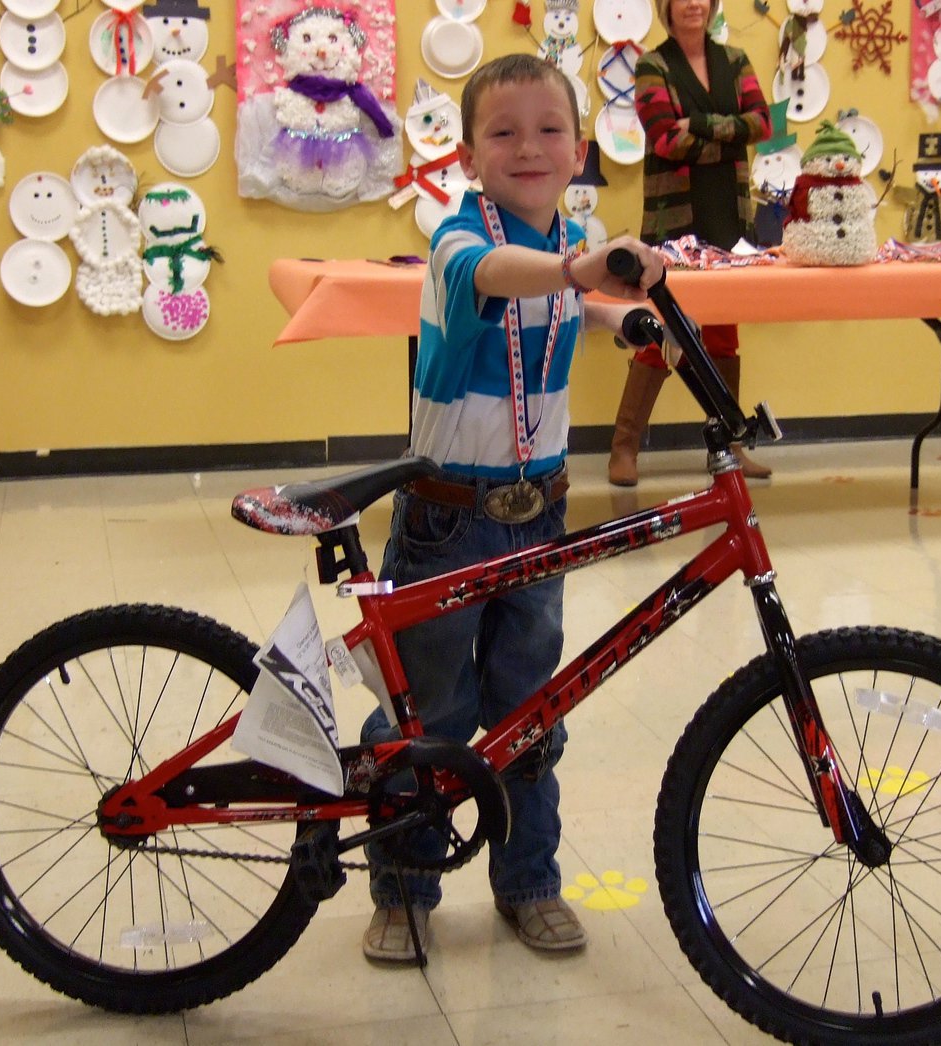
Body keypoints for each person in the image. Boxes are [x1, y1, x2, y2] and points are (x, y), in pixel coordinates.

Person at [359, 53, 664, 963]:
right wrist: (584, 270)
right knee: (428, 716)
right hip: (450, 515)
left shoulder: (568, 243)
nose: (527, 147)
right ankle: (405, 889)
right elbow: (503, 277)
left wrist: (621, 318)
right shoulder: (461, 242)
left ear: (579, 150)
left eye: (548, 131)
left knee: (534, 711)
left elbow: (565, 302)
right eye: (503, 132)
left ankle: (528, 881)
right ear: (466, 152)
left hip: (541, 510)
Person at [607, 0, 773, 486]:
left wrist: (697, 125)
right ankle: (624, 447)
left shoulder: (735, 60)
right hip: (674, 221)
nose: (694, 4)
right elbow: (663, 139)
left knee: (723, 335)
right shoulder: (652, 65)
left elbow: (762, 123)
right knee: (666, 332)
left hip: (731, 220)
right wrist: (729, 132)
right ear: (667, 7)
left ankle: (732, 445)